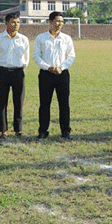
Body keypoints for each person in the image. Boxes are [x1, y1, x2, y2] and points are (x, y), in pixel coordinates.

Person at [33, 11, 76, 140]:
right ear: (50, 22)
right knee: (44, 104)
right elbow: (36, 56)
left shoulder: (66, 38)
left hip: (62, 74)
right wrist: (48, 67)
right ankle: (43, 131)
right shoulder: (41, 38)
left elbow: (71, 56)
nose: (59, 24)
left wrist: (61, 68)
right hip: (46, 74)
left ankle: (65, 131)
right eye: (57, 21)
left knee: (64, 104)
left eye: (62, 22)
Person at [0, 12, 30, 142]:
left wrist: (19, 69)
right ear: (6, 23)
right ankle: (3, 130)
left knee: (19, 102)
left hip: (18, 73)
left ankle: (18, 130)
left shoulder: (23, 39)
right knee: (2, 102)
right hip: (2, 72)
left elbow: (26, 58)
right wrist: (0, 69)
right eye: (13, 22)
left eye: (18, 22)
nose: (16, 25)